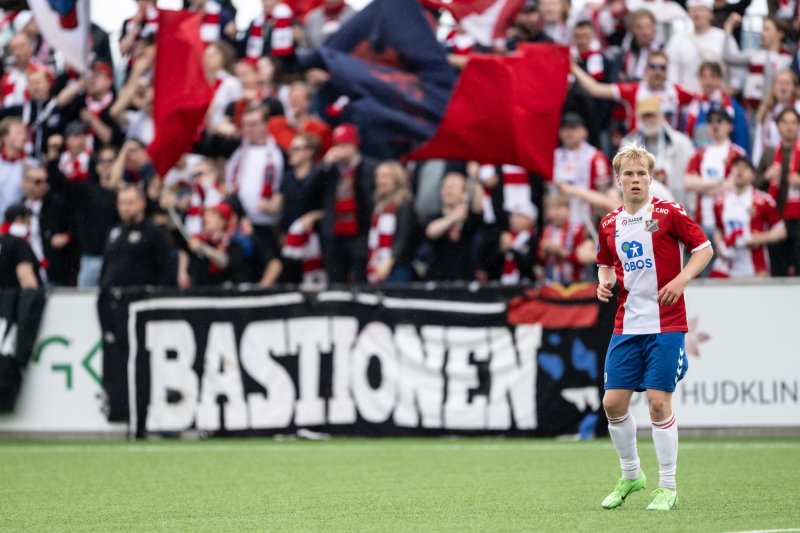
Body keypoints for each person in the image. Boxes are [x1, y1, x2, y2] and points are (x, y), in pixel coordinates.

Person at [596, 144, 713, 511]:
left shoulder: (667, 212)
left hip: (667, 323)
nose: (635, 179)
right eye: (628, 174)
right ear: (618, 179)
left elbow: (705, 248)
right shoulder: (609, 222)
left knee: (658, 402)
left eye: (641, 173)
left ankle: (668, 486)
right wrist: (605, 280)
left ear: (651, 178)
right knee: (613, 403)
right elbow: (605, 262)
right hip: (626, 325)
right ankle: (631, 475)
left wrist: (680, 281)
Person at [710, 157, 787, 278]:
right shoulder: (719, 201)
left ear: (753, 176)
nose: (739, 170)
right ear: (731, 172)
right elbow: (718, 230)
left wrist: (761, 238)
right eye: (736, 167)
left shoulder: (763, 200)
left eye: (745, 167)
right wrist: (720, 245)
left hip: (755, 266)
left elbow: (781, 230)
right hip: (727, 266)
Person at [101, 184, 174, 288]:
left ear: (142, 203)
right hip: (115, 297)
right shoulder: (113, 232)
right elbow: (106, 266)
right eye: (121, 203)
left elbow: (166, 268)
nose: (125, 208)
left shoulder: (154, 232)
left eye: (130, 203)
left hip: (142, 298)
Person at [0, 203, 40, 289]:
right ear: (19, 219)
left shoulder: (2, 240)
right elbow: (25, 277)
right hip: (15, 299)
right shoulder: (20, 243)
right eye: (28, 218)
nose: (30, 221)